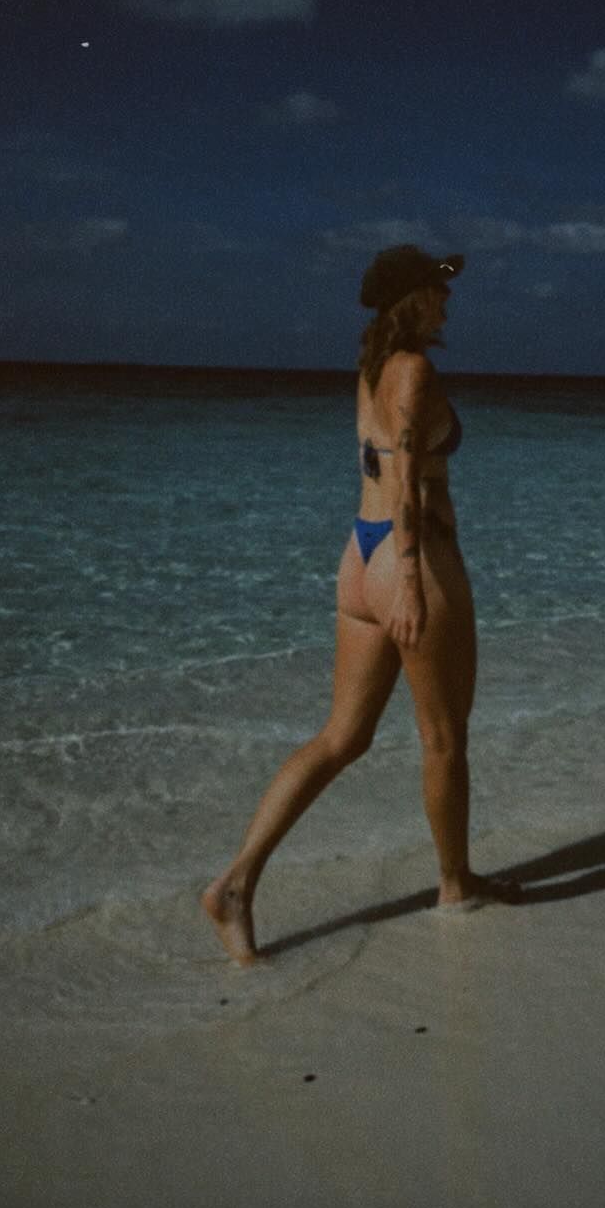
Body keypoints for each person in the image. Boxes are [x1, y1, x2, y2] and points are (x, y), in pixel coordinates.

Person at [202, 243, 517, 964]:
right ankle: (454, 886)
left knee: (342, 737)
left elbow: (380, 465)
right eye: (438, 289)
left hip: (359, 551)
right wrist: (409, 578)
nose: (449, 299)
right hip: (410, 556)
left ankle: (234, 885)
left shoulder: (373, 368)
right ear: (414, 299)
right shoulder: (413, 371)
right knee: (444, 739)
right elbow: (405, 476)